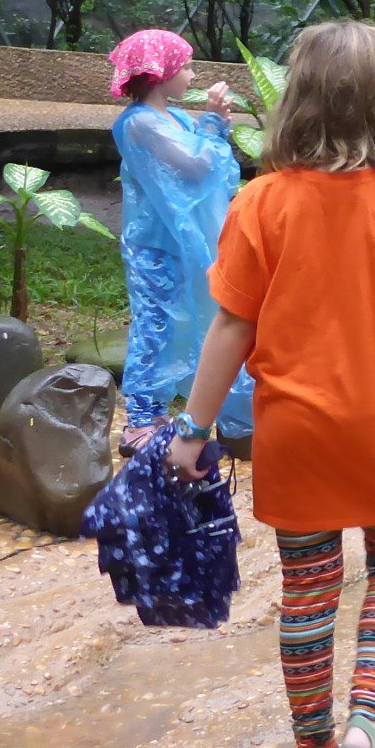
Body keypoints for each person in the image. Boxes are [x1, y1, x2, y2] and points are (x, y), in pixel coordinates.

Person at [167, 21, 375, 748]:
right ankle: (367, 722)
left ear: (297, 102)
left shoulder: (260, 203)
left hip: (292, 433)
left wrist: (193, 431)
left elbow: (230, 326)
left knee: (307, 586)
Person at [110, 30, 254, 455]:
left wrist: (213, 128)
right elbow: (194, 169)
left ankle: (211, 412)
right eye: (186, 67)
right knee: (156, 325)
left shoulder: (172, 119)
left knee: (191, 322)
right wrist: (210, 123)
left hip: (178, 243)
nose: (192, 75)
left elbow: (213, 170)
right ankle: (139, 420)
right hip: (155, 248)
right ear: (160, 74)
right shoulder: (139, 123)